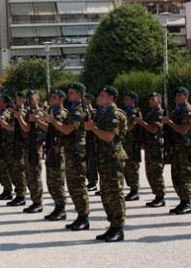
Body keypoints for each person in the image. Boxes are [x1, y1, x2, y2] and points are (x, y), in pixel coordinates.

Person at [85, 86, 128, 242]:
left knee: (115, 193)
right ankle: (112, 225)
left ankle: (119, 228)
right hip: (103, 158)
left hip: (113, 158)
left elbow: (109, 137)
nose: (99, 97)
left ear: (110, 98)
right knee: (106, 193)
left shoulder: (116, 115)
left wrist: (93, 128)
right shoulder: (102, 113)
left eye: (102, 95)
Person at [47, 82, 90, 231]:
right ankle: (80, 216)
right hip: (71, 151)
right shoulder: (72, 109)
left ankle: (84, 217)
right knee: (72, 185)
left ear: (79, 94)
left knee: (78, 185)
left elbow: (67, 129)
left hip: (77, 153)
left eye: (72, 92)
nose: (69, 94)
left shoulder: (79, 110)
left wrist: (53, 121)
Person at [163, 87, 191, 215]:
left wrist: (169, 122)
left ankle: (187, 202)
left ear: (186, 97)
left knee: (184, 175)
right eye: (176, 96)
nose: (177, 98)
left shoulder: (188, 111)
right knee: (176, 175)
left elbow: (184, 130)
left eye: (180, 95)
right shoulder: (176, 111)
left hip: (185, 148)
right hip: (176, 147)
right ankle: (182, 200)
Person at [39, 89, 68, 221]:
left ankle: (61, 208)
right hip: (51, 148)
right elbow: (49, 129)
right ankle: (57, 206)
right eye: (52, 98)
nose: (52, 100)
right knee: (51, 181)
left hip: (58, 150)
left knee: (57, 181)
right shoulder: (52, 112)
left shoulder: (62, 113)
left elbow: (62, 130)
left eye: (55, 98)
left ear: (62, 99)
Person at [135, 93, 166, 208]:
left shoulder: (159, 113)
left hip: (156, 147)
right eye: (150, 99)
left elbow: (154, 129)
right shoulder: (151, 113)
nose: (150, 101)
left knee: (156, 172)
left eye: (153, 99)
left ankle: (160, 196)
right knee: (150, 172)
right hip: (149, 146)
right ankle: (157, 195)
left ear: (159, 101)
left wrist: (141, 122)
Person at [19, 90, 46, 214]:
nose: (30, 99)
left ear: (38, 98)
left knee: (35, 176)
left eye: (32, 97)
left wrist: (19, 117)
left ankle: (38, 202)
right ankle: (34, 201)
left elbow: (26, 128)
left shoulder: (38, 112)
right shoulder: (30, 112)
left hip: (35, 147)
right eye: (28, 97)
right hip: (28, 146)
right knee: (29, 175)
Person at [122, 91, 142, 201]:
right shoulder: (125, 112)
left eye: (127, 99)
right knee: (127, 167)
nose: (125, 101)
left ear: (133, 101)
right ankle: (131, 189)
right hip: (126, 143)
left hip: (132, 143)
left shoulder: (135, 112)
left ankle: (135, 190)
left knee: (132, 167)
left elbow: (130, 127)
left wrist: (121, 129)